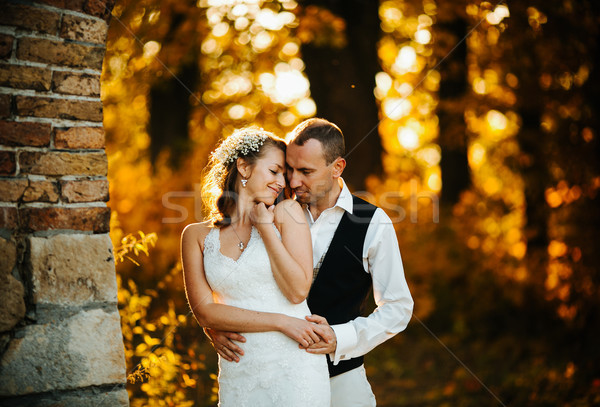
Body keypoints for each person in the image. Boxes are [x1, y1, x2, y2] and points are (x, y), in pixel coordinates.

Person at [207, 118, 414, 406]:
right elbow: (234, 276)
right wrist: (215, 326)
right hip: (271, 377)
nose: (292, 181)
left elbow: (398, 307)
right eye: (289, 169)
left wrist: (340, 337)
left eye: (305, 171)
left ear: (337, 168)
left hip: (342, 378)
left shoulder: (372, 222)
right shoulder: (266, 208)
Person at [180, 127, 330, 406]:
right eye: (274, 171)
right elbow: (205, 312)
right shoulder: (195, 236)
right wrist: (281, 322)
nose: (281, 182)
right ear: (244, 167)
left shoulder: (287, 214)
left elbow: (298, 291)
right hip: (240, 367)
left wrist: (265, 227)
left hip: (295, 363)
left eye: (284, 175)